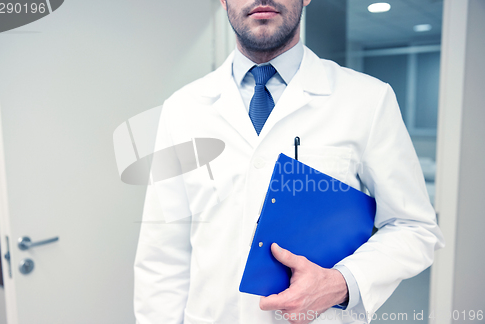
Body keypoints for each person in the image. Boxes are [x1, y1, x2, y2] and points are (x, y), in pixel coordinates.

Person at [134, 0, 444, 323]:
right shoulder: (182, 110)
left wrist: (341, 283)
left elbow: (415, 227)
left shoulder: (368, 101)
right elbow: (162, 259)